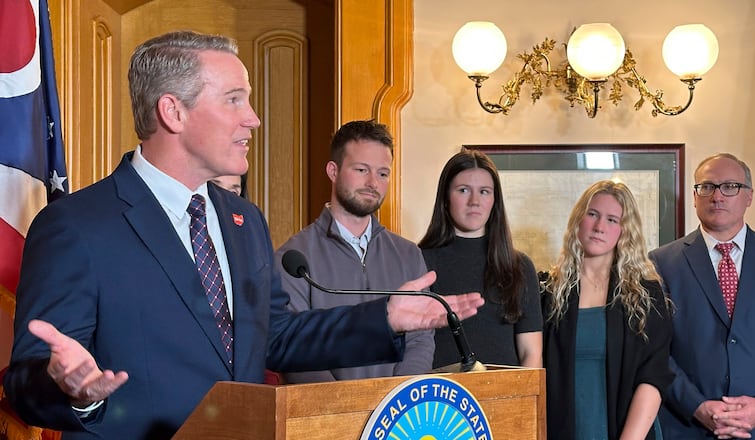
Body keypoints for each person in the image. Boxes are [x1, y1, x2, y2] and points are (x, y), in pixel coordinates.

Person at [2, 31, 483, 440]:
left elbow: (276, 338)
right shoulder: (76, 225)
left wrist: (386, 318)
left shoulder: (244, 220)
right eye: (234, 99)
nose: (252, 117)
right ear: (173, 111)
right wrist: (71, 391)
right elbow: (26, 383)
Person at [274, 120, 434, 383]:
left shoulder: (408, 254)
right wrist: (345, 409)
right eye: (361, 170)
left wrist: (396, 399)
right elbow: (295, 349)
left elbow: (420, 338)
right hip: (327, 416)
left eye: (383, 173)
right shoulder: (293, 258)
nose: (373, 182)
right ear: (333, 171)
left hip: (397, 416)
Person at [649, 153, 755, 439]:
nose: (717, 196)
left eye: (730, 186)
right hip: (687, 426)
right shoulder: (661, 262)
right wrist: (698, 406)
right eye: (707, 187)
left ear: (749, 196)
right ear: (694, 196)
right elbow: (655, 350)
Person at [541, 180, 673, 440]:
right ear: (579, 219)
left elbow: (653, 376)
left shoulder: (646, 294)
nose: (600, 227)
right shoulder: (547, 292)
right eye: (593, 214)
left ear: (625, 231)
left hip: (628, 432)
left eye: (613, 220)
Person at [418, 149, 542, 369]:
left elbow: (530, 353)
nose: (474, 201)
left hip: (507, 397)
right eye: (463, 190)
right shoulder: (418, 261)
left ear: (495, 201)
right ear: (446, 198)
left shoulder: (520, 267)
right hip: (440, 399)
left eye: (484, 191)